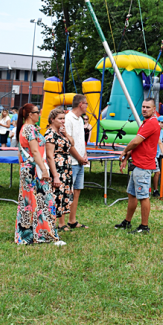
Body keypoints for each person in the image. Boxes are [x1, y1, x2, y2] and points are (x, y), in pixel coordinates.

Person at [15, 103, 64, 246]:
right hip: (34, 169)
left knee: (29, 203)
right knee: (44, 201)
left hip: (28, 169)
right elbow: (35, 151)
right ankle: (45, 235)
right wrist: (44, 169)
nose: (39, 114)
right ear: (30, 115)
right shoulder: (29, 129)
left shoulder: (26, 128)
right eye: (37, 112)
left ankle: (29, 235)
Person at [115, 98, 160, 234]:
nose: (144, 109)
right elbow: (138, 145)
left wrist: (124, 151)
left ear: (154, 110)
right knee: (132, 194)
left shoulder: (151, 123)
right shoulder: (146, 123)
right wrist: (128, 157)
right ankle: (127, 222)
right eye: (143, 107)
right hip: (137, 164)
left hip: (143, 166)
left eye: (148, 107)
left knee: (143, 196)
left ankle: (144, 226)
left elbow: (135, 141)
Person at [44, 107, 76, 231]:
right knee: (55, 197)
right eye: (60, 119)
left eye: (64, 118)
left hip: (66, 170)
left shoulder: (60, 133)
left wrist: (66, 134)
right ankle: (50, 225)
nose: (63, 121)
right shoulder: (50, 134)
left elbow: (71, 144)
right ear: (52, 119)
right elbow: (49, 156)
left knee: (62, 196)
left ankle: (60, 224)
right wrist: (55, 175)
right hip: (57, 170)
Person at [65, 94, 90, 230]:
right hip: (72, 162)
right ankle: (61, 222)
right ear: (81, 104)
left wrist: (84, 155)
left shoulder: (80, 119)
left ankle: (72, 221)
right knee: (66, 192)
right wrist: (79, 158)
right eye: (86, 103)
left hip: (80, 161)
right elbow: (68, 143)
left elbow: (81, 140)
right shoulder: (68, 119)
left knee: (77, 191)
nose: (87, 106)